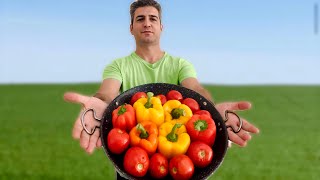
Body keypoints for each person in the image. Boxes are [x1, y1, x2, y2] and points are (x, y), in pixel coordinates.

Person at [64, 0, 259, 178]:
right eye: (140, 19)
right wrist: (99, 102)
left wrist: (212, 110)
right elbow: (107, 93)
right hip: (133, 167)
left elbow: (195, 88)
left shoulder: (180, 64)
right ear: (131, 28)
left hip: (175, 163)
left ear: (161, 27)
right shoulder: (118, 66)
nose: (147, 23)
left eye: (153, 19)